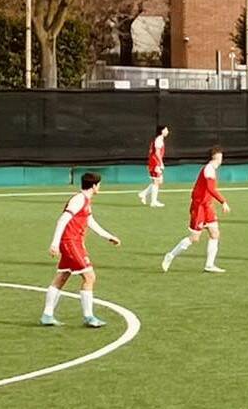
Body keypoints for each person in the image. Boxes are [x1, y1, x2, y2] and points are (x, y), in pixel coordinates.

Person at [42, 172, 120, 328]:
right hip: (71, 242)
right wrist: (55, 243)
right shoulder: (78, 199)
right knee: (89, 277)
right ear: (94, 185)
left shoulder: (85, 200)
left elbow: (90, 221)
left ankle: (47, 315)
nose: (100, 187)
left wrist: (108, 236)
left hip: (74, 242)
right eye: (99, 184)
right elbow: (63, 219)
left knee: (62, 276)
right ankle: (89, 317)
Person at [161, 146, 230, 273]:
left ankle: (209, 265)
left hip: (207, 206)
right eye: (220, 156)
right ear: (216, 157)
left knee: (215, 233)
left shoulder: (212, 169)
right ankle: (170, 256)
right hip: (199, 207)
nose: (222, 159)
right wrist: (223, 201)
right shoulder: (209, 169)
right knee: (194, 238)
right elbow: (210, 189)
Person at [139, 125, 169, 208]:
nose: (167, 131)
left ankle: (144, 194)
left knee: (159, 181)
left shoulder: (160, 139)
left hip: (155, 162)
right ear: (162, 131)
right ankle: (153, 201)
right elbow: (157, 153)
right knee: (156, 181)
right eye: (166, 130)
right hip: (155, 163)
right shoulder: (159, 140)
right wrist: (160, 163)